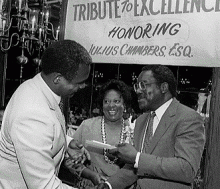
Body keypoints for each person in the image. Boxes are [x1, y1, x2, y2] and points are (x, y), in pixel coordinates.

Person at [0, 40, 92, 189]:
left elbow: (44, 130)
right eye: (78, 82)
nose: (82, 87)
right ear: (57, 79)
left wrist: (66, 143)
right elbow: (45, 186)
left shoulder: (37, 87)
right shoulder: (32, 114)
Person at [98, 64, 206, 189]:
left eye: (143, 85)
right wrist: (109, 185)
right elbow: (136, 166)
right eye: (136, 86)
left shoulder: (188, 118)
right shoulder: (141, 121)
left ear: (163, 87)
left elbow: (186, 169)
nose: (137, 91)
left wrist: (137, 157)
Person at [65, 79, 134, 188]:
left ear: (124, 104)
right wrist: (91, 175)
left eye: (116, 101)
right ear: (101, 104)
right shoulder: (87, 126)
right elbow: (69, 161)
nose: (111, 106)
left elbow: (137, 168)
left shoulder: (132, 130)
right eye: (106, 101)